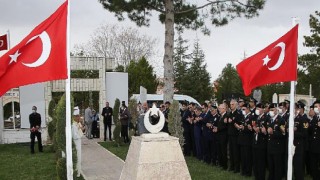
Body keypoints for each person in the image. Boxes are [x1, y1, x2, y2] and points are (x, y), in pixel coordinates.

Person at [72, 106, 85, 177]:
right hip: (75, 143)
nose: (79, 117)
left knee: (79, 157)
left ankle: (78, 171)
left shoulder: (77, 123)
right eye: (77, 116)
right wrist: (81, 131)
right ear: (74, 117)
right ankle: (76, 172)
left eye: (79, 116)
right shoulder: (73, 125)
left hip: (78, 143)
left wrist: (82, 129)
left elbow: (81, 129)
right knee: (77, 157)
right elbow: (75, 136)